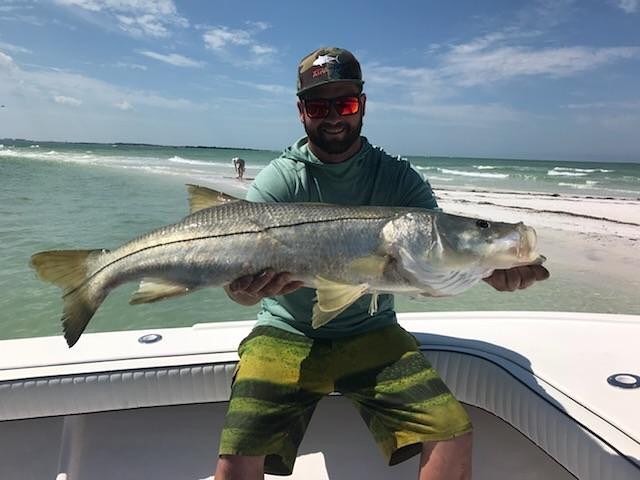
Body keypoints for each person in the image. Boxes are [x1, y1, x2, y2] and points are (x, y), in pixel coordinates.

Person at [215, 47, 550, 480]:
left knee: (453, 436)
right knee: (238, 452)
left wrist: (486, 269)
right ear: (301, 112)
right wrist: (241, 290)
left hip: (373, 333)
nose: (333, 116)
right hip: (285, 330)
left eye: (346, 103)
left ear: (363, 105)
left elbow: (431, 267)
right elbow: (233, 279)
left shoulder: (399, 180)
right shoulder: (280, 181)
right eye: (319, 105)